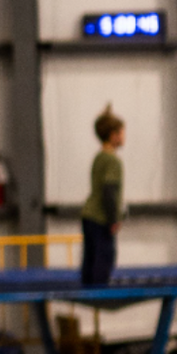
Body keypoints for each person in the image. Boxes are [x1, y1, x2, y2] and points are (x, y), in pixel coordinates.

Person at [81, 105, 125, 287]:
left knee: (90, 257)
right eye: (122, 133)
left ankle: (88, 287)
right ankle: (100, 291)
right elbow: (109, 192)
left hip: (88, 215)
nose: (123, 137)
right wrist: (113, 219)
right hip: (101, 217)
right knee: (105, 256)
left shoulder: (99, 156)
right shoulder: (113, 160)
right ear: (113, 135)